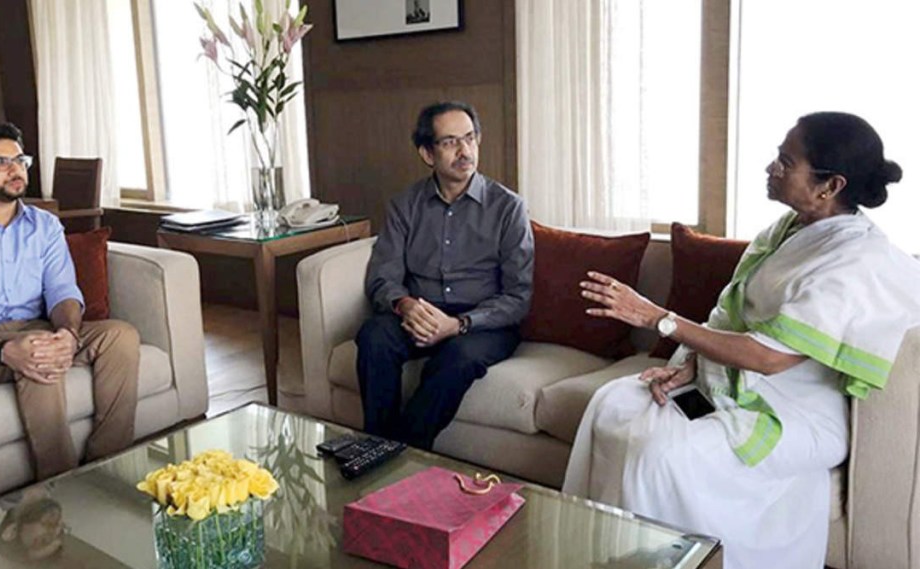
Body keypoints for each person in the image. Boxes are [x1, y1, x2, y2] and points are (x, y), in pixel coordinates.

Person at [562, 111, 920, 569]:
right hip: (732, 383)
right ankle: (607, 553)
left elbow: (768, 356)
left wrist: (657, 318)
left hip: (793, 411)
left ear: (829, 186)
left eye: (786, 162)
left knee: (660, 456)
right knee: (612, 402)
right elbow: (733, 319)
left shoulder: (853, 259)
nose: (772, 168)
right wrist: (691, 365)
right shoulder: (788, 229)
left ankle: (676, 560)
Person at [0, 122, 139, 480]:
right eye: (0, 162)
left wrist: (68, 334)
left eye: (20, 160)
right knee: (36, 356)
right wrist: (4, 349)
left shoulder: (44, 225)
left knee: (119, 336)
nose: (16, 170)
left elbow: (62, 290)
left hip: (32, 327)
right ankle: (63, 486)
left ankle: (107, 469)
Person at [356, 101, 534, 450]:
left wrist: (459, 325)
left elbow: (518, 297)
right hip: (422, 312)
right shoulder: (405, 205)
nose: (464, 151)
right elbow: (382, 277)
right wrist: (406, 305)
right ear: (427, 153)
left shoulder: (508, 208)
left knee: (457, 358)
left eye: (469, 138)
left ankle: (401, 451)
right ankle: (376, 445)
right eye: (450, 142)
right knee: (374, 336)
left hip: (483, 324)